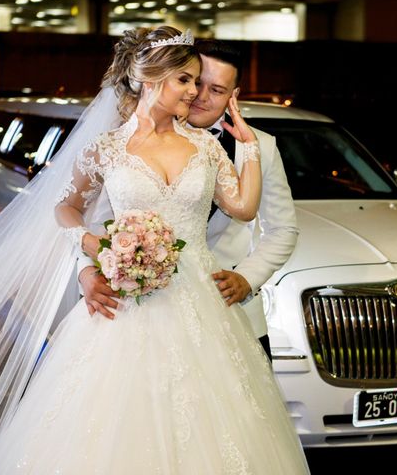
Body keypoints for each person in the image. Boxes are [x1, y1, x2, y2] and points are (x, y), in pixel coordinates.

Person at [0, 26, 310, 474]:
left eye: (207, 86)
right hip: (127, 302)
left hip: (203, 302)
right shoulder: (107, 149)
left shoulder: (208, 146)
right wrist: (92, 248)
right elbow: (67, 206)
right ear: (153, 78)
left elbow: (246, 210)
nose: (196, 93)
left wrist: (248, 146)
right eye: (188, 80)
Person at [77, 39, 298, 361]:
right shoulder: (124, 142)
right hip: (134, 304)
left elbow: (282, 229)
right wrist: (87, 271)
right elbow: (89, 217)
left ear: (233, 96)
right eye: (193, 81)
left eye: (217, 90)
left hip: (223, 310)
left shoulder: (260, 147)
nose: (199, 95)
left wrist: (247, 278)